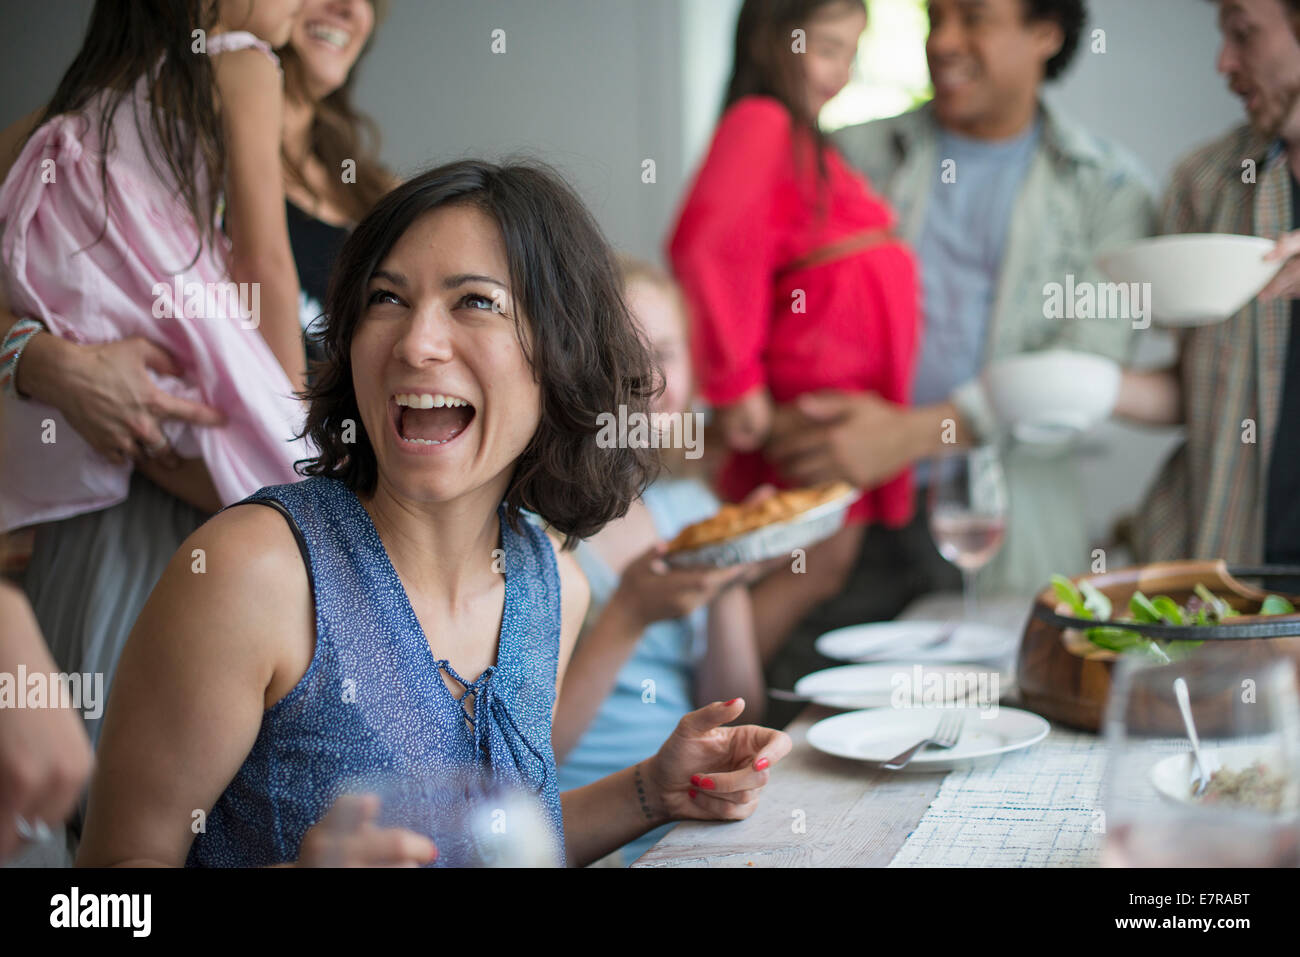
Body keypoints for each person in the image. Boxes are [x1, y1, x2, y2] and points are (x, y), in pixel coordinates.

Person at [75, 160, 792, 868]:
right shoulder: (252, 572)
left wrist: (650, 790)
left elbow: (487, 845)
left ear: (561, 353)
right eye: (386, 299)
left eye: (474, 302)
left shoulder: (551, 588)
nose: (416, 343)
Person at [774, 0, 1155, 618]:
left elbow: (1084, 370)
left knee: (993, 702)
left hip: (1005, 524)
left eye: (974, 18)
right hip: (835, 507)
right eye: (935, 17)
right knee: (804, 703)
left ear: (1046, 33)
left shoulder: (1109, 192)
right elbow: (770, 307)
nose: (944, 41)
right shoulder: (846, 153)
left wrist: (905, 437)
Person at [668, 0, 921, 657]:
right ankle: (702, 707)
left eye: (852, 52)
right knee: (803, 564)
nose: (843, 72)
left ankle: (713, 701)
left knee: (817, 565)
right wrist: (734, 383)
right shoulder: (762, 121)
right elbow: (706, 245)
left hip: (842, 415)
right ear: (773, 40)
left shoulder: (808, 142)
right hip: (803, 415)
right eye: (830, 48)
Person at [551, 258, 767, 866]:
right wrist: (628, 615)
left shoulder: (690, 509)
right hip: (580, 825)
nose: (647, 379)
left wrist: (730, 566)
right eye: (622, 355)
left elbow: (735, 702)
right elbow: (529, 755)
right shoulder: (535, 526)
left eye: (666, 353)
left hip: (691, 818)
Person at [1121, 0, 1300, 574]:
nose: (1223, 62)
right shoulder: (1203, 182)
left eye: (1244, 35)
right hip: (1223, 573)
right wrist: (1088, 387)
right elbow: (1197, 393)